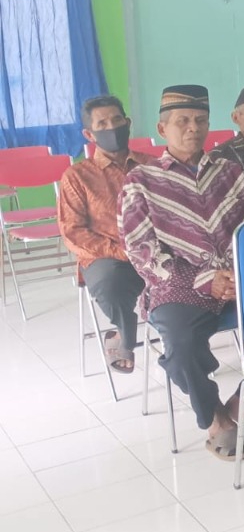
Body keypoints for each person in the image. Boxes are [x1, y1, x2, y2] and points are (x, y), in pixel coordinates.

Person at [118, 85, 244, 460]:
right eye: (182, 121)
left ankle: (243, 400)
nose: (192, 128)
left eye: (200, 120)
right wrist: (203, 279)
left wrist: (236, 274)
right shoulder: (142, 182)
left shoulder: (231, 173)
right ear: (162, 129)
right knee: (180, 345)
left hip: (237, 281)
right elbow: (141, 250)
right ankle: (215, 418)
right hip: (176, 285)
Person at [58, 95, 154, 374]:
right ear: (89, 134)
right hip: (108, 256)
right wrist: (123, 251)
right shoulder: (77, 176)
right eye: (102, 123)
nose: (112, 127)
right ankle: (123, 335)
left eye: (117, 119)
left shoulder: (153, 165)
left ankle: (181, 339)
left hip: (155, 251)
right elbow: (73, 232)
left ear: (128, 122)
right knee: (111, 283)